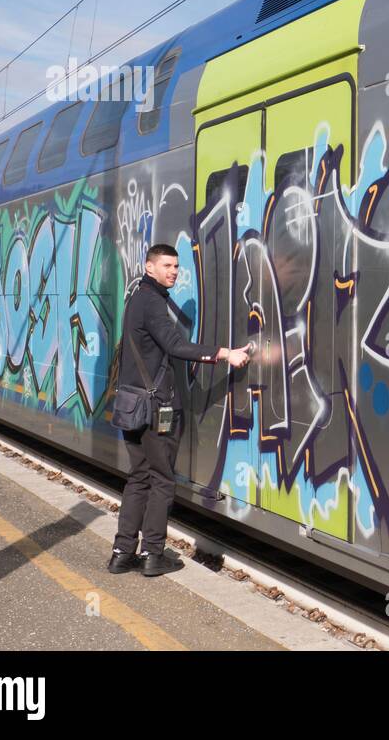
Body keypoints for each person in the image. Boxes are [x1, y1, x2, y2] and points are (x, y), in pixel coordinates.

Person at [107, 243, 250, 576]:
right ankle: (152, 555)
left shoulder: (137, 299)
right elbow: (175, 345)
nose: (173, 271)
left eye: (176, 266)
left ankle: (121, 552)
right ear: (149, 267)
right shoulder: (152, 302)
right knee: (162, 481)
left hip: (133, 404)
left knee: (139, 477)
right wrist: (225, 353)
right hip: (156, 407)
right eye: (166, 265)